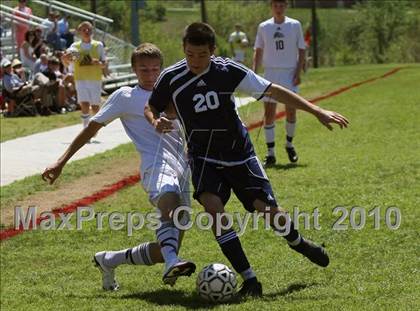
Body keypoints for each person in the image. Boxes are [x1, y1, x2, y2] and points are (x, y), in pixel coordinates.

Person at [145, 22, 348, 298]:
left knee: (268, 211)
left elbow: (273, 90)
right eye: (190, 54)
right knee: (213, 208)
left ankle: (298, 242)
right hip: (203, 156)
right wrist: (155, 120)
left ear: (213, 51)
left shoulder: (228, 71)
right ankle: (249, 279)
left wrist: (316, 110)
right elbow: (152, 106)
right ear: (184, 49)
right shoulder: (171, 77)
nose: (195, 61)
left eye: (202, 55)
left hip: (239, 154)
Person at [41, 43, 196, 291]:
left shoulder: (174, 92)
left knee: (168, 245)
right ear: (134, 69)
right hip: (154, 165)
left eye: (155, 69)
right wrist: (61, 161)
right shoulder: (125, 97)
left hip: (183, 170)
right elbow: (91, 128)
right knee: (169, 198)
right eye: (144, 69)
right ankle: (172, 262)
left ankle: (110, 259)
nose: (150, 74)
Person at [253, 0, 306, 167]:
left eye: (281, 5)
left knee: (291, 111)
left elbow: (302, 50)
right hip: (270, 73)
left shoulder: (294, 25)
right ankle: (271, 154)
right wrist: (254, 73)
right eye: (275, 5)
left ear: (286, 6)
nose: (278, 8)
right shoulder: (264, 27)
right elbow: (258, 50)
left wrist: (298, 72)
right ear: (271, 6)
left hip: (289, 73)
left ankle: (289, 145)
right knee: (269, 113)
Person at [61, 21, 107, 129]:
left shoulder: (98, 45)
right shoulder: (75, 47)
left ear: (92, 31)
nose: (86, 31)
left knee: (95, 107)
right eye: (84, 29)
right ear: (79, 32)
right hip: (80, 79)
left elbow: (104, 64)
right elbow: (68, 63)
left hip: (95, 79)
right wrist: (64, 59)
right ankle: (86, 129)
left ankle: (94, 127)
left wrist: (98, 63)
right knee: (84, 104)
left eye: (89, 29)